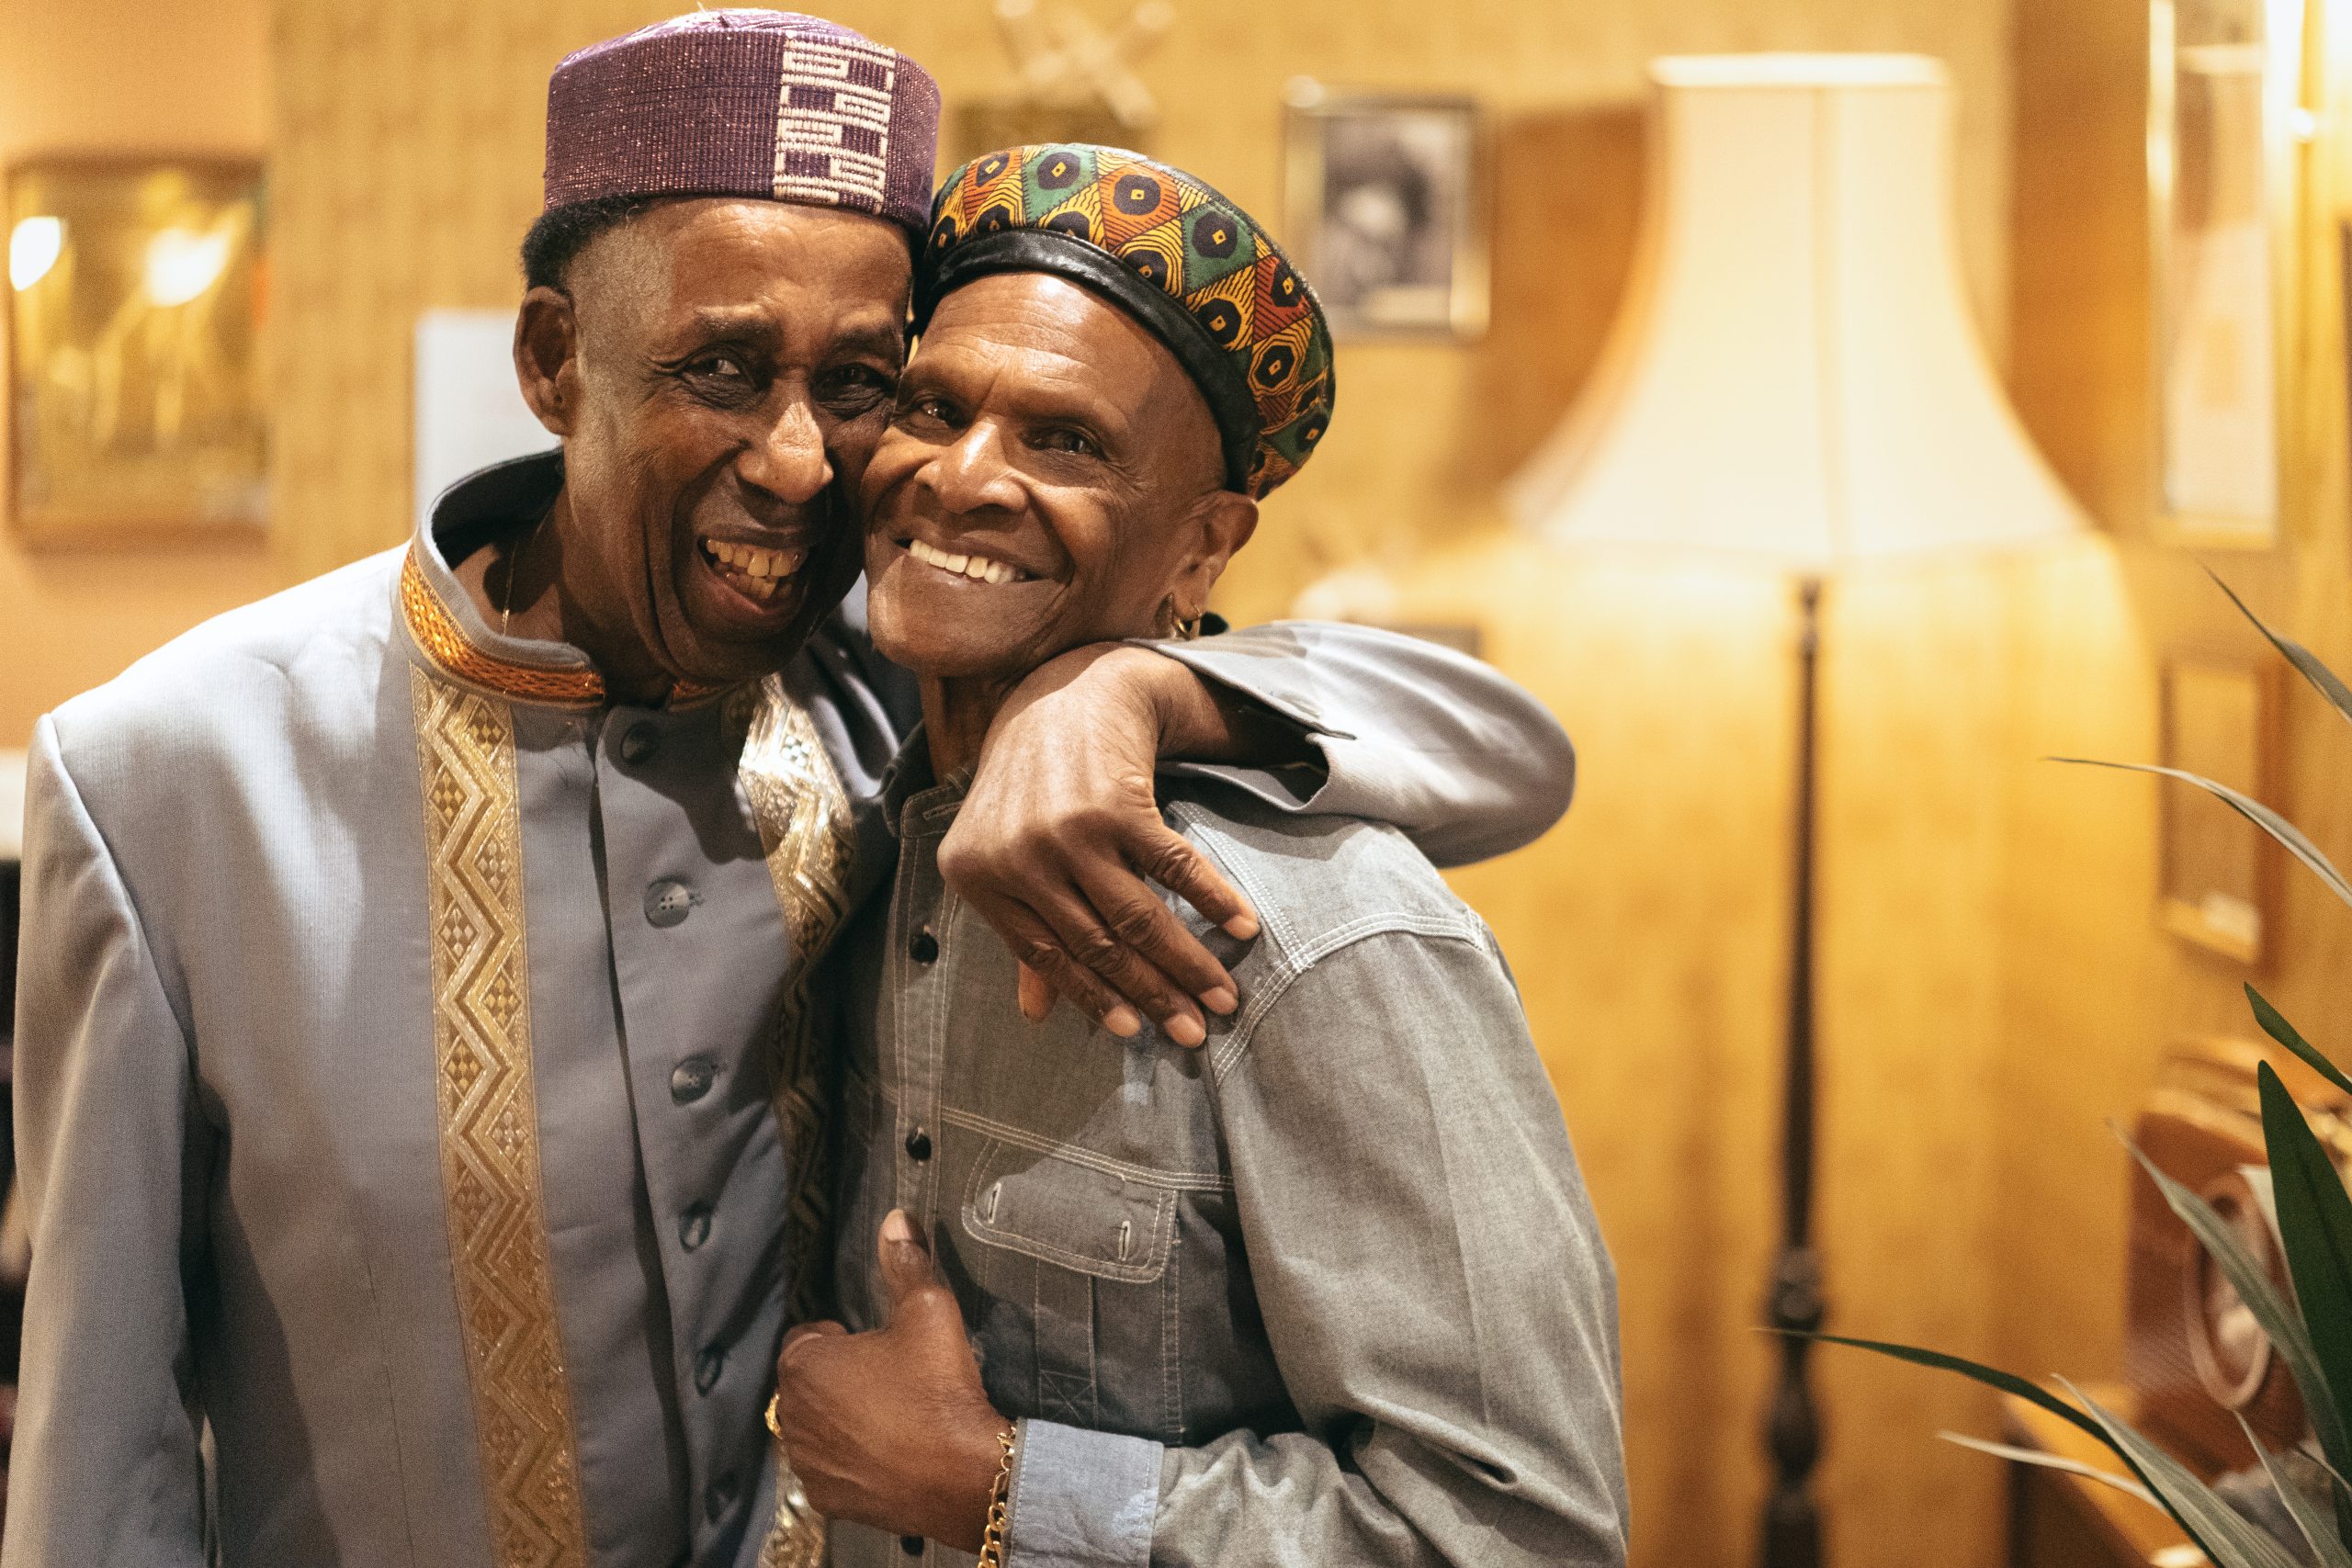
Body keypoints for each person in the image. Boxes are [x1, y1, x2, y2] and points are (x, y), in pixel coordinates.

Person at [4, 17, 1577, 1568]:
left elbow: (1512, 750)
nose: (806, 463)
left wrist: (1133, 688)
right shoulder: (169, 780)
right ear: (556, 360)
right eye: (724, 369)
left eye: (860, 384)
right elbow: (97, 1470)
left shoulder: (884, 690)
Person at [769, 144, 1626, 1568]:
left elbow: (1520, 1534)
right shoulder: (849, 798)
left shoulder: (1317, 937)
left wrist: (993, 1486)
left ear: (1203, 549)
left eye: (1068, 442)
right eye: (935, 405)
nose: (962, 476)